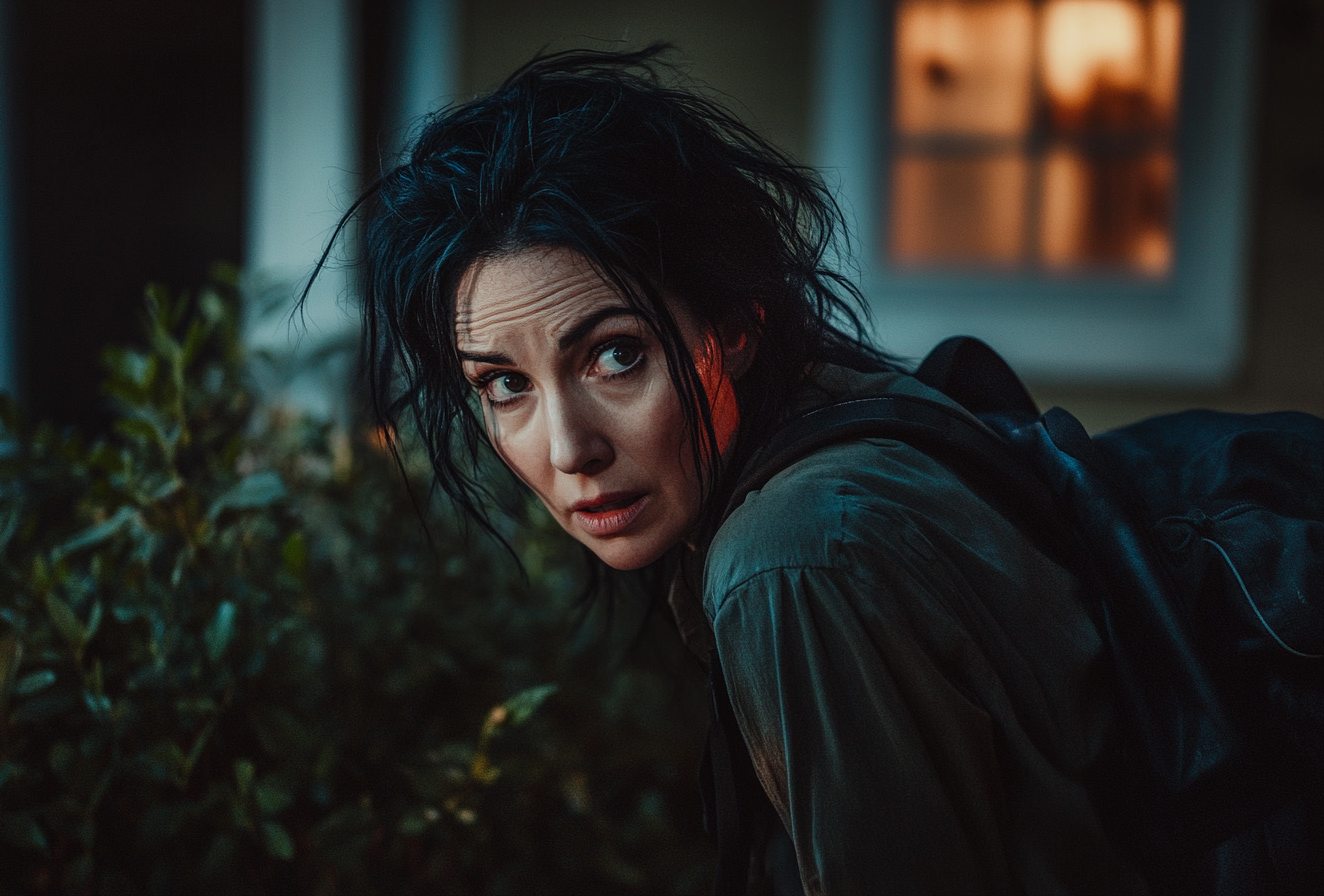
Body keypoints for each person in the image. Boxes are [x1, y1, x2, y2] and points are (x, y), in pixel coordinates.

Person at [321, 46, 1148, 894]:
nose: (569, 449)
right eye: (505, 384)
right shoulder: (844, 412)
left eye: (614, 355)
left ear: (738, 325)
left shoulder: (790, 559)